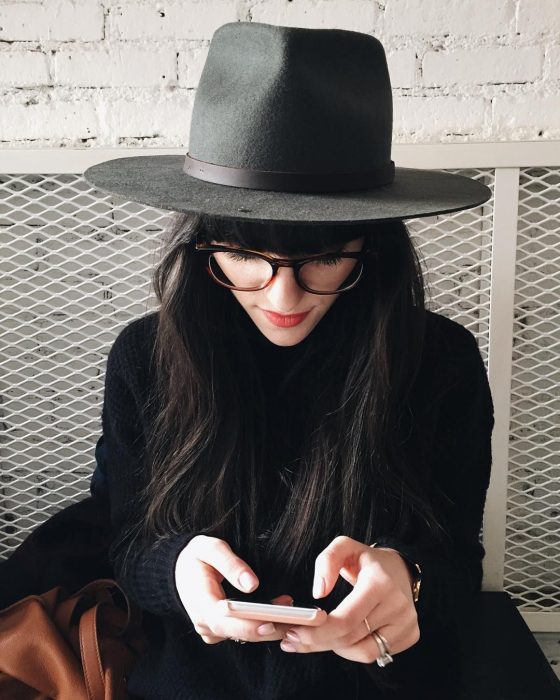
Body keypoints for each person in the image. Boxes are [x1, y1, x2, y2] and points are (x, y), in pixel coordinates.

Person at [84, 21, 495, 700]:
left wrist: (408, 580)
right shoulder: (146, 358)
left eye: (325, 257)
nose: (283, 295)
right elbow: (126, 539)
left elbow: (455, 560)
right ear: (203, 245)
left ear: (372, 247)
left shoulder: (440, 362)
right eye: (246, 255)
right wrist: (177, 568)